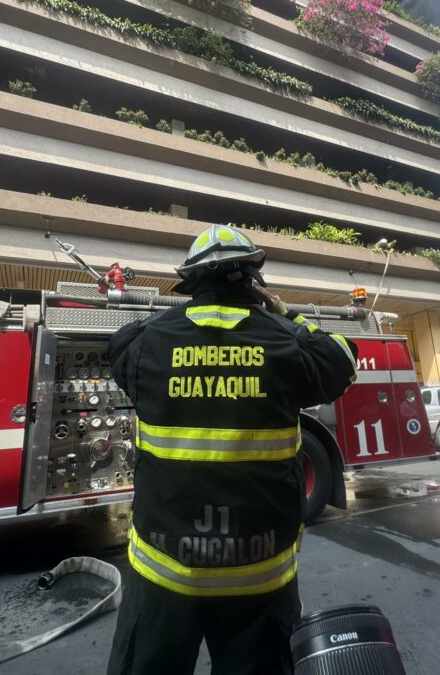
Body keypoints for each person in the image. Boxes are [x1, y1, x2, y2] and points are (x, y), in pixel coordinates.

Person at [106, 224, 358, 675]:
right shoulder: (286, 341)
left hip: (164, 573)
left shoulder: (144, 341)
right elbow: (342, 360)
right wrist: (287, 313)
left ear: (191, 281)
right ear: (252, 282)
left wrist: (170, 319)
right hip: (260, 579)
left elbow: (119, 346)